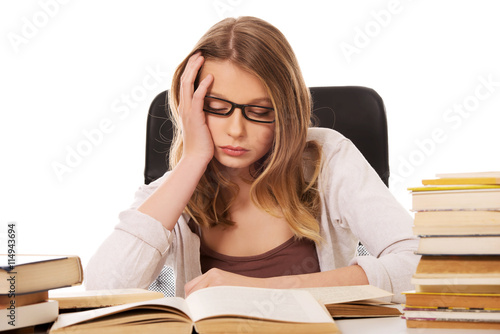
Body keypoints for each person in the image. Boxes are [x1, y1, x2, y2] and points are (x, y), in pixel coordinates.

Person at [85, 16, 419, 303]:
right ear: (191, 106)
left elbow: (422, 266)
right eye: (217, 107)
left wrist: (261, 290)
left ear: (287, 113)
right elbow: (103, 292)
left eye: (259, 112)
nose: (235, 130)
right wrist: (192, 161)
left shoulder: (327, 158)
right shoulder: (176, 187)